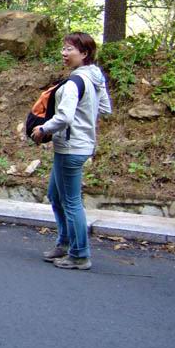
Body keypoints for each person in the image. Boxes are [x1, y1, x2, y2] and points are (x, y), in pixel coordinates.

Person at [31, 32, 112, 270]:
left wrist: (43, 129)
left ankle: (79, 254)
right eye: (63, 48)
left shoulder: (74, 83)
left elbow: (64, 117)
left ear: (84, 53)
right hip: (77, 144)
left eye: (69, 49)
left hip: (71, 147)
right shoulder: (94, 78)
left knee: (70, 201)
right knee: (56, 195)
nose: (64, 53)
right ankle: (65, 243)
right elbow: (105, 108)